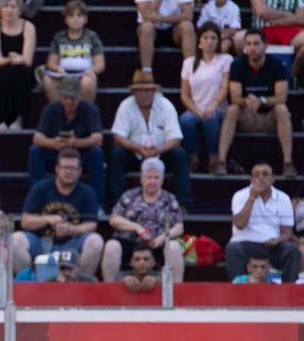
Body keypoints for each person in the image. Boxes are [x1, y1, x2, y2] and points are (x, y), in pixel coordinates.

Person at [10, 147, 104, 277]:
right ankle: (29, 283)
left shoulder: (87, 192)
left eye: (72, 168)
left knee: (96, 241)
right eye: (65, 167)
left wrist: (71, 229)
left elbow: (92, 225)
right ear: (57, 169)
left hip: (72, 242)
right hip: (41, 241)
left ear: (79, 171)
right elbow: (25, 221)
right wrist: (47, 219)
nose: (68, 172)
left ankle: (80, 285)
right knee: (15, 240)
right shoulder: (41, 188)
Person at [217, 28, 294, 178]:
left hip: (270, 118)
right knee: (232, 109)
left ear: (265, 46)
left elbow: (282, 97)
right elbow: (235, 97)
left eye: (256, 44)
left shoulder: (276, 65)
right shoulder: (238, 65)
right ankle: (220, 161)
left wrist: (262, 100)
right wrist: (247, 100)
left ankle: (288, 162)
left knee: (282, 109)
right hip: (248, 116)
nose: (252, 48)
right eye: (249, 44)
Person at [109, 70, 191, 209]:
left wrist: (159, 149)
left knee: (180, 155)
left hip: (161, 153)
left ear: (154, 91)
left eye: (148, 90)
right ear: (133, 92)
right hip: (135, 154)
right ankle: (116, 203)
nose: (144, 94)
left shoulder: (166, 105)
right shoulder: (126, 105)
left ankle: (183, 204)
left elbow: (176, 138)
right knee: (116, 154)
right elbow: (118, 136)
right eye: (140, 91)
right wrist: (137, 148)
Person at [101, 157, 185, 282]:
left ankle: (177, 292)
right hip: (130, 242)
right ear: (141, 179)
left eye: (156, 178)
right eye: (149, 177)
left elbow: (179, 227)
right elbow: (114, 220)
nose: (152, 181)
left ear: (162, 180)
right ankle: (109, 290)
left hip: (157, 244)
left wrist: (162, 238)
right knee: (111, 246)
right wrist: (137, 228)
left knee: (174, 247)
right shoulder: (129, 196)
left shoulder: (169, 198)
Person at [29, 77, 105, 206]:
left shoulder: (90, 110)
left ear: (80, 96)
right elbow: (37, 138)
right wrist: (53, 143)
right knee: (35, 151)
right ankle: (37, 200)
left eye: (73, 98)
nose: (69, 102)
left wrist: (77, 143)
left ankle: (97, 204)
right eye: (66, 98)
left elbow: (98, 138)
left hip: (80, 155)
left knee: (96, 153)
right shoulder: (50, 109)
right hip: (56, 154)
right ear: (61, 97)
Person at [225, 161, 300, 282]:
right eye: (256, 175)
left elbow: (287, 232)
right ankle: (237, 291)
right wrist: (252, 197)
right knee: (232, 249)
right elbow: (239, 224)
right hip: (245, 243)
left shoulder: (283, 198)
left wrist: (278, 240)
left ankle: (289, 293)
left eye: (265, 174)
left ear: (273, 178)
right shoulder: (240, 195)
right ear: (251, 179)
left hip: (271, 246)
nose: (261, 178)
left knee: (292, 250)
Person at [179, 22, 232, 175]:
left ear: (218, 42)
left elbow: (224, 86)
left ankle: (214, 159)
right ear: (199, 42)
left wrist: (213, 105)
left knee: (210, 117)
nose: (209, 41)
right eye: (205, 37)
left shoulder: (225, 59)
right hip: (195, 108)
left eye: (213, 38)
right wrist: (196, 110)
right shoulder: (189, 63)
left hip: (218, 108)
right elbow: (184, 94)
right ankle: (193, 158)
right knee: (185, 120)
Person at [40, 1, 104, 103]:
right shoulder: (59, 37)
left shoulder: (92, 37)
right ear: (66, 19)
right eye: (71, 15)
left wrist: (91, 70)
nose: (75, 19)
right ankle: (59, 113)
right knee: (47, 80)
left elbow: (100, 65)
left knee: (88, 81)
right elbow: (51, 63)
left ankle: (83, 114)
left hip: (84, 75)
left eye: (79, 15)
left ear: (85, 19)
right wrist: (57, 68)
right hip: (63, 75)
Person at [0, 0, 35, 130]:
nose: (9, 10)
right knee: (3, 73)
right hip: (1, 67)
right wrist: (12, 58)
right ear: (0, 9)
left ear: (19, 10)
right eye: (6, 6)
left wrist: (19, 59)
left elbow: (27, 60)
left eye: (13, 7)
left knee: (22, 73)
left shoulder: (28, 26)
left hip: (22, 67)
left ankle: (18, 120)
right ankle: (0, 121)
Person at [135, 0, 194, 74]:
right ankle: (146, 73)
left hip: (174, 27)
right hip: (151, 30)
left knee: (187, 26)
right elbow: (146, 16)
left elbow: (188, 15)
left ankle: (191, 72)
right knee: (147, 28)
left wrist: (161, 19)